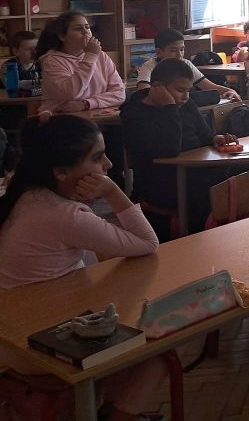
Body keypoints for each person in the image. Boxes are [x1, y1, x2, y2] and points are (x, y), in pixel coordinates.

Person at [0, 114, 165, 421]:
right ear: (61, 171)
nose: (109, 165)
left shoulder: (26, 194)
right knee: (159, 351)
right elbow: (147, 243)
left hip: (16, 333)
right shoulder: (64, 215)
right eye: (98, 158)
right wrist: (113, 192)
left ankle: (100, 409)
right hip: (37, 343)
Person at [121, 58, 238, 237]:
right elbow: (169, 149)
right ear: (157, 87)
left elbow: (204, 136)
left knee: (237, 172)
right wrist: (169, 108)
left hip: (193, 172)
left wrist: (216, 139)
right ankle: (202, 238)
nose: (186, 97)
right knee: (216, 185)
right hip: (162, 181)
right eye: (180, 90)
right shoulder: (134, 114)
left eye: (189, 90)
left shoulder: (186, 104)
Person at [37, 11, 125, 112]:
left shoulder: (101, 56)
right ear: (62, 36)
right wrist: (90, 56)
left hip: (98, 116)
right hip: (62, 118)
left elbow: (119, 94)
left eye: (87, 27)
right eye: (78, 29)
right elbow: (71, 92)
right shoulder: (52, 61)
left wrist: (86, 104)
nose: (85, 32)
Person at [135, 29, 240, 101]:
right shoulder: (149, 66)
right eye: (173, 50)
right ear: (159, 52)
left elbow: (208, 86)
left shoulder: (186, 64)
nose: (179, 55)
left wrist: (231, 91)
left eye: (182, 49)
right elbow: (144, 93)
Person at [3, 30, 42, 97]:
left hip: (37, 100)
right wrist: (42, 83)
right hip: (15, 102)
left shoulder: (41, 64)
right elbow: (13, 86)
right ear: (16, 51)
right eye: (29, 49)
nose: (34, 52)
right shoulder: (8, 66)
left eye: (36, 48)